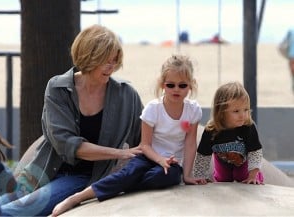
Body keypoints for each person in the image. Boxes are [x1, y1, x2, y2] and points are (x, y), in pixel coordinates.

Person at [0, 24, 143, 216]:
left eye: (115, 60)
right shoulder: (58, 88)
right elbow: (68, 144)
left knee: (11, 213)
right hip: (41, 170)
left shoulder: (127, 95)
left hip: (83, 177)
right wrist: (119, 153)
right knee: (1, 204)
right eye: (105, 60)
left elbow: (144, 135)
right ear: (89, 57)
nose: (111, 66)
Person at [52, 54, 207, 216]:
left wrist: (188, 175)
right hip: (148, 157)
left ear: (191, 85)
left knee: (170, 177)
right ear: (162, 84)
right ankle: (77, 197)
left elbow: (190, 143)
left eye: (182, 85)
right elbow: (144, 145)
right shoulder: (153, 109)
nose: (176, 89)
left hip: (171, 164)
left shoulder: (193, 110)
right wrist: (160, 159)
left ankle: (120, 185)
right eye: (171, 85)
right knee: (129, 173)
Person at [193, 81, 264, 185]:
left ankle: (257, 176)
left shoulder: (248, 126)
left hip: (243, 162)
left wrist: (253, 175)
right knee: (222, 179)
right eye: (236, 111)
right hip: (222, 161)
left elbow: (255, 152)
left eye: (246, 110)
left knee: (242, 176)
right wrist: (200, 176)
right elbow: (203, 154)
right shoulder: (212, 130)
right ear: (221, 112)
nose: (242, 115)